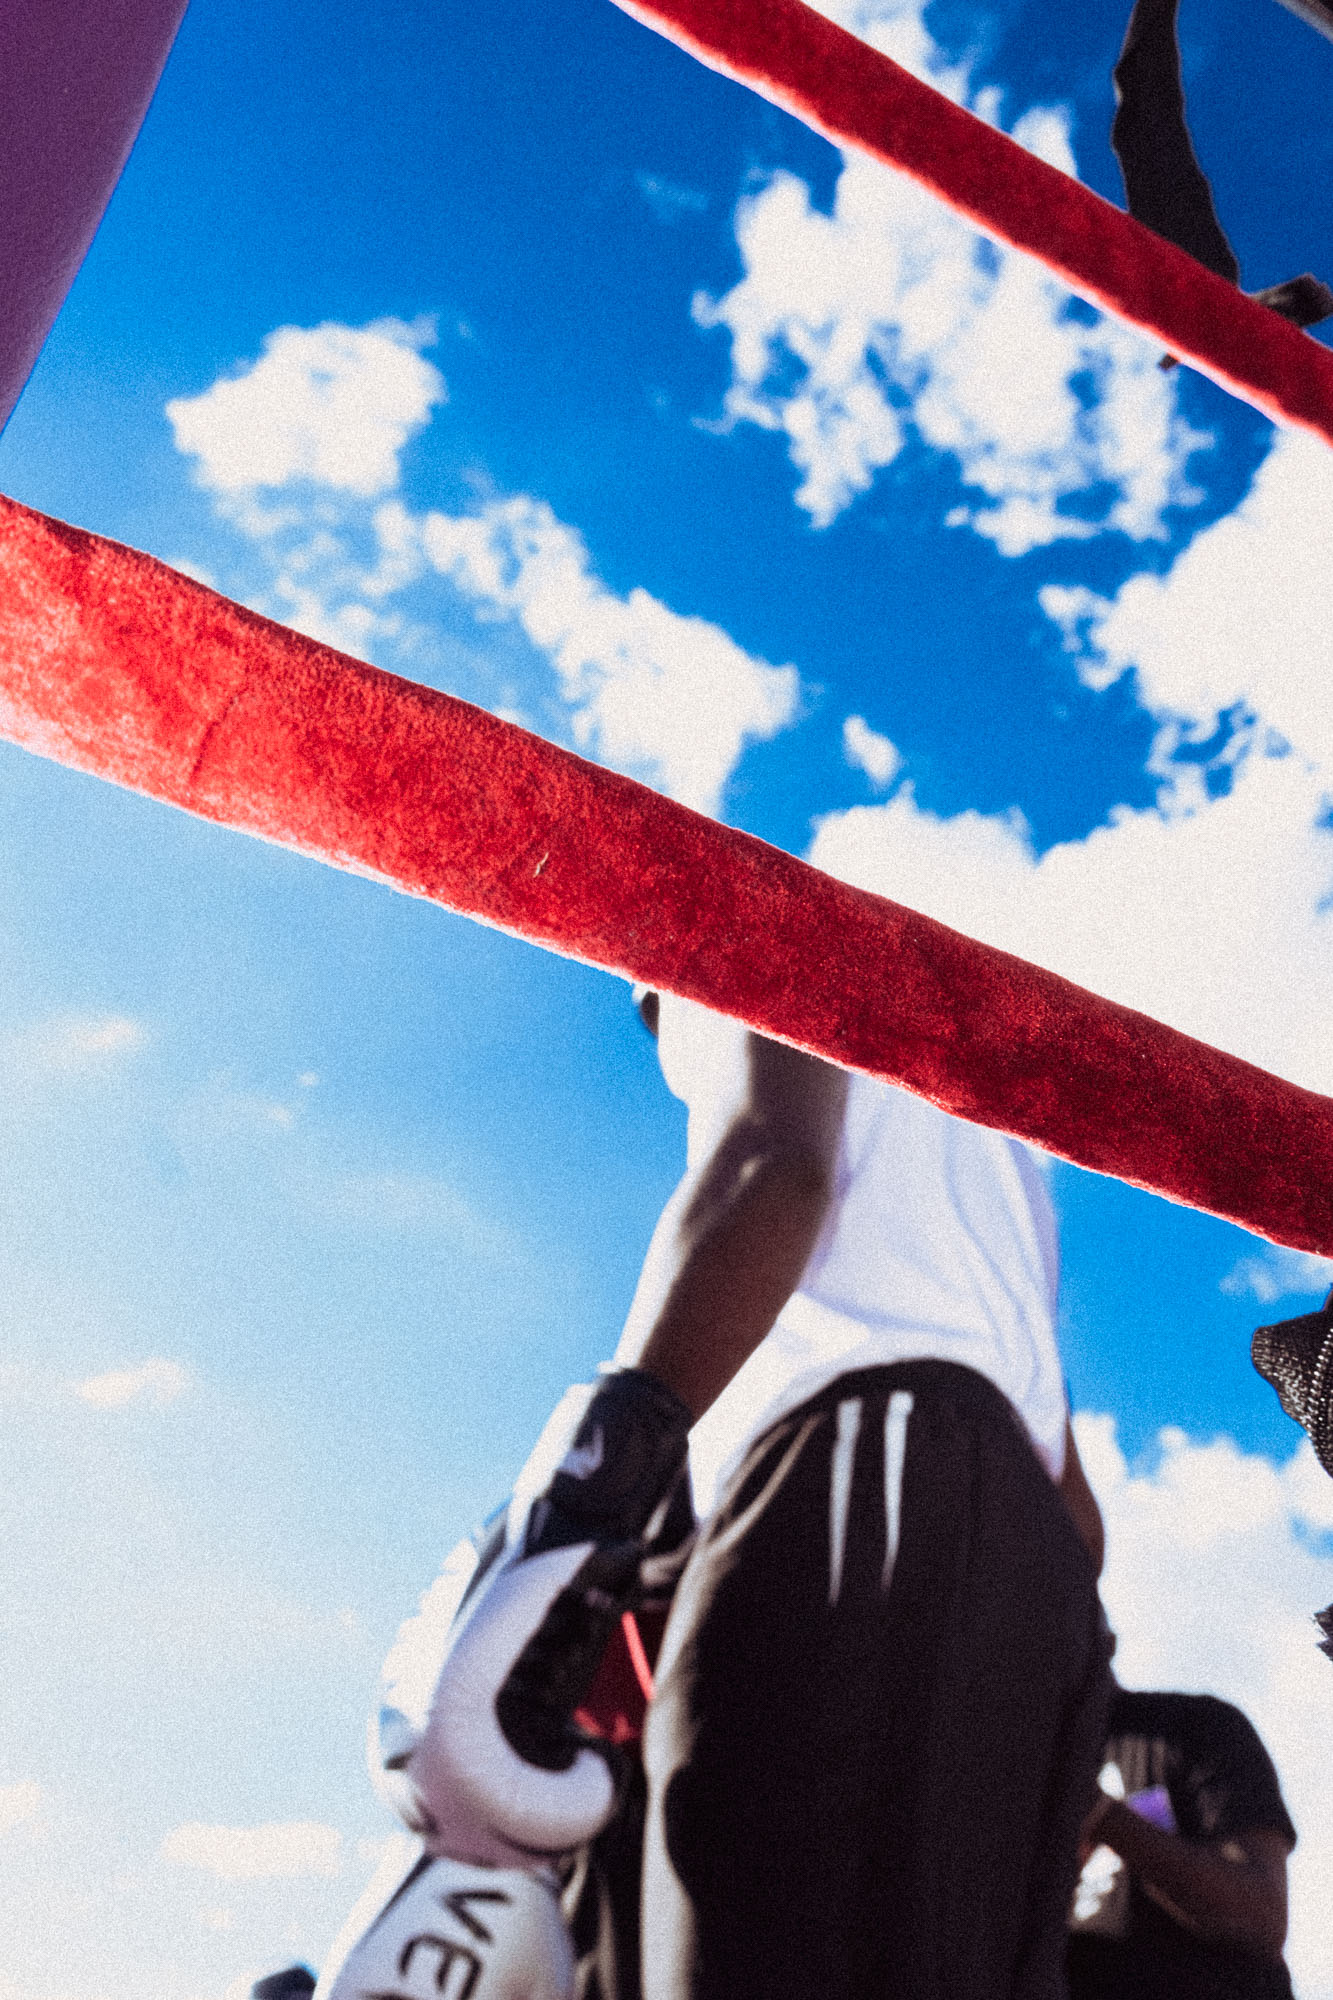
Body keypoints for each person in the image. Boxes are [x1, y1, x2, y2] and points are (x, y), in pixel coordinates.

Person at [362, 987, 1112, 1999]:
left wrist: (582, 1495)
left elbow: (772, 1170)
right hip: (1029, 1576)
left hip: (864, 1465)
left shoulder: (737, 959)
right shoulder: (994, 1155)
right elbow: (1076, 1517)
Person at [1111, 0, 1333, 360]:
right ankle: (1252, 316)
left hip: (1182, 279)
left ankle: (1251, 316)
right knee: (1141, 119)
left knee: (1141, 118)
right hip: (1190, 282)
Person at [1068, 1680, 1296, 1999]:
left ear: (1104, 1641)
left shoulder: (1193, 1726)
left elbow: (1260, 1917)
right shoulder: (997, 1776)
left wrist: (1101, 1815)